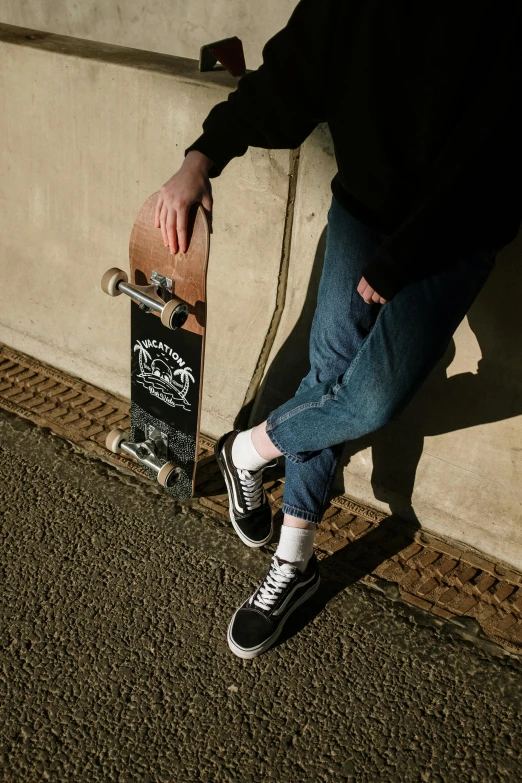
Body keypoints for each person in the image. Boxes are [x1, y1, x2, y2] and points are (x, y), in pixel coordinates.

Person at [154, 0, 522, 658]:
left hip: (455, 233)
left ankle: (246, 451)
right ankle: (295, 562)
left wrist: (405, 256)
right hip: (364, 207)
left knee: (368, 397)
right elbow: (291, 75)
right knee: (328, 379)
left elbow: (496, 143)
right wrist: (200, 159)